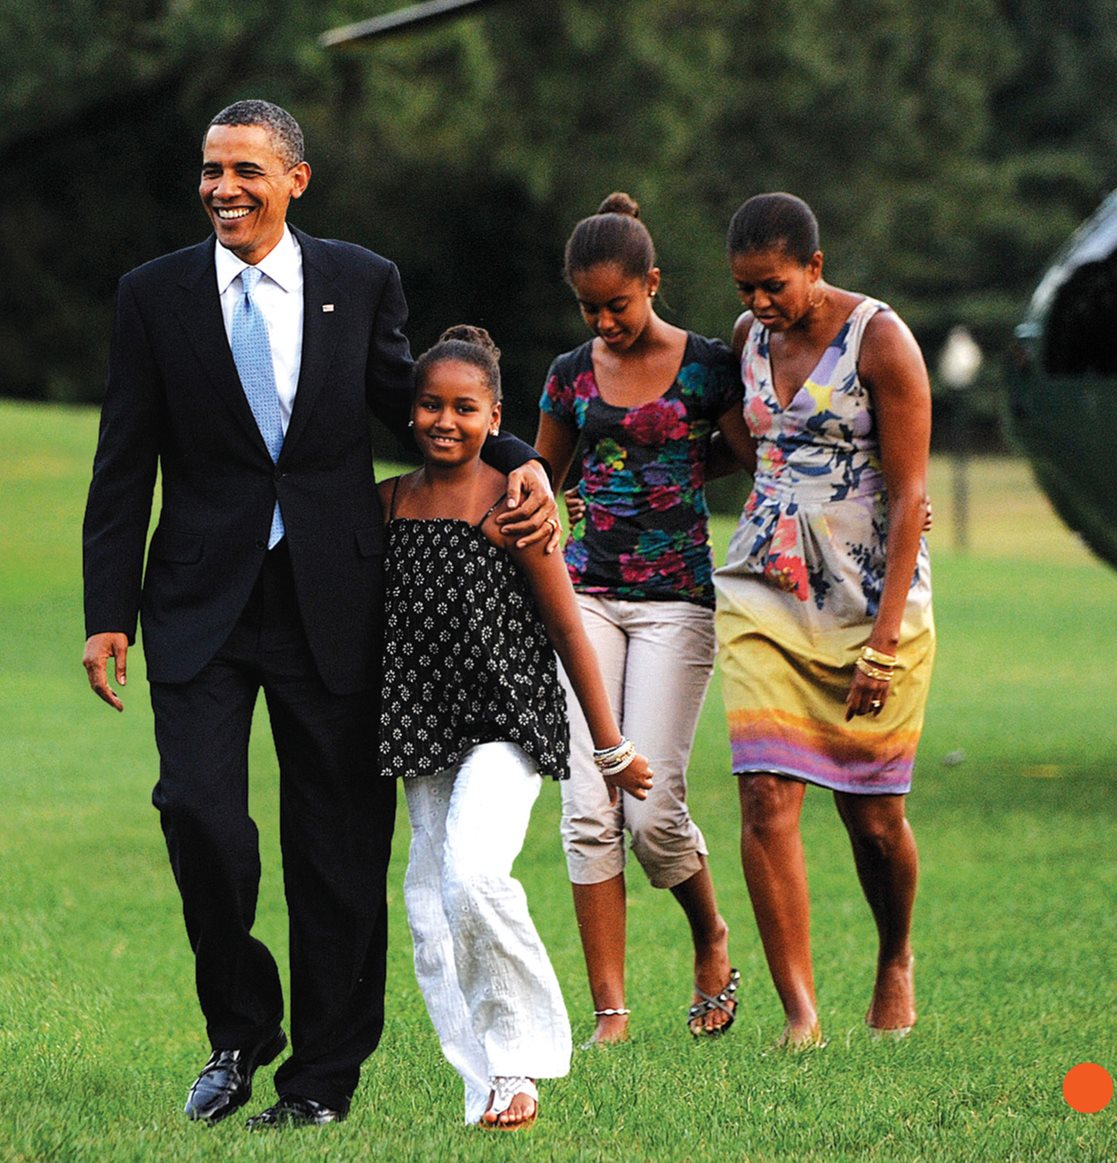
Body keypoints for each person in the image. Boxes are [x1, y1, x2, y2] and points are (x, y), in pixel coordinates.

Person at [80, 100, 558, 1130]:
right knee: (198, 813)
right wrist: (105, 610)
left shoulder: (358, 280)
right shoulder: (152, 295)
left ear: (297, 179)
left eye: (246, 170)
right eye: (211, 169)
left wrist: (520, 462)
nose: (223, 188)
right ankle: (240, 1025)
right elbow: (122, 461)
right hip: (198, 601)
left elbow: (417, 401)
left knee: (336, 849)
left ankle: (319, 1082)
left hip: (335, 599)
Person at [378, 325, 653, 1130]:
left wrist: (610, 747)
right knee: (429, 910)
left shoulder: (517, 506)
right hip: (423, 729)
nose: (444, 420)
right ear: (409, 411)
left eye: (465, 408)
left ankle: (522, 1060)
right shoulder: (388, 504)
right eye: (430, 404)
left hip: (507, 725)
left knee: (472, 873)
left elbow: (569, 631)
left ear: (493, 415)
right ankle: (485, 1085)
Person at [714, 193, 936, 1049]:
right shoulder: (746, 342)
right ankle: (800, 1015)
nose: (758, 305)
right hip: (765, 586)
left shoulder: (880, 339)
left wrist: (884, 642)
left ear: (814, 264)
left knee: (873, 817)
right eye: (743, 289)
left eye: (772, 286)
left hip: (872, 593)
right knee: (766, 791)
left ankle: (893, 957)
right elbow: (748, 446)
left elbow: (914, 492)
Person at [535, 193, 752, 1045]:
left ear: (652, 284)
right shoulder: (568, 372)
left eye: (616, 304)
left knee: (651, 810)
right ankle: (611, 1016)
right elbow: (542, 476)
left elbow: (751, 450)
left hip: (675, 605)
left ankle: (710, 935)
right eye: (588, 308)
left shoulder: (704, 366)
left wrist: (681, 470)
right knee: (588, 808)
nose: (603, 321)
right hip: (585, 594)